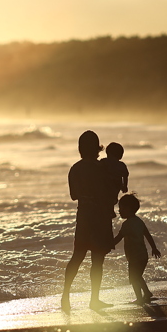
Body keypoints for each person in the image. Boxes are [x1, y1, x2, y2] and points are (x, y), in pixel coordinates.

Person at [62, 130, 116, 312]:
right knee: (97, 260)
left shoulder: (75, 169)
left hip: (84, 217)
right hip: (100, 217)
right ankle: (94, 300)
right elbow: (111, 193)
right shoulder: (102, 168)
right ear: (97, 147)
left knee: (77, 256)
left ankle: (65, 296)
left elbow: (73, 195)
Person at [112, 193, 161, 304]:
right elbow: (148, 235)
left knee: (134, 277)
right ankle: (147, 293)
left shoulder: (126, 225)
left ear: (128, 209)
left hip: (134, 257)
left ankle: (139, 298)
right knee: (137, 276)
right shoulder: (139, 221)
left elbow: (118, 238)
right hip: (143, 256)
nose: (119, 211)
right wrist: (154, 248)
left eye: (121, 208)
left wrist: (108, 245)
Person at [100, 142, 129, 218]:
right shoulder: (121, 165)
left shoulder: (103, 161)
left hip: (106, 185)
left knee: (107, 198)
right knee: (112, 197)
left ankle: (109, 210)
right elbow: (125, 175)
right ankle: (110, 210)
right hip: (116, 185)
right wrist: (124, 185)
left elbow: (96, 171)